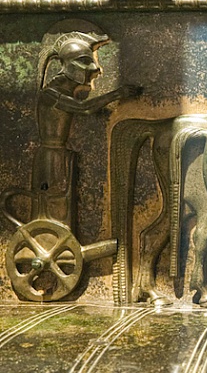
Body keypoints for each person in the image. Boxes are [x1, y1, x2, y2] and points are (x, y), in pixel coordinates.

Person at [33, 31, 140, 227]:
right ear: (71, 67)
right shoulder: (51, 94)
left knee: (64, 202)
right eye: (87, 64)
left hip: (60, 154)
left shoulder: (59, 92)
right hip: (51, 156)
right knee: (52, 203)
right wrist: (117, 94)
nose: (95, 71)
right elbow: (84, 108)